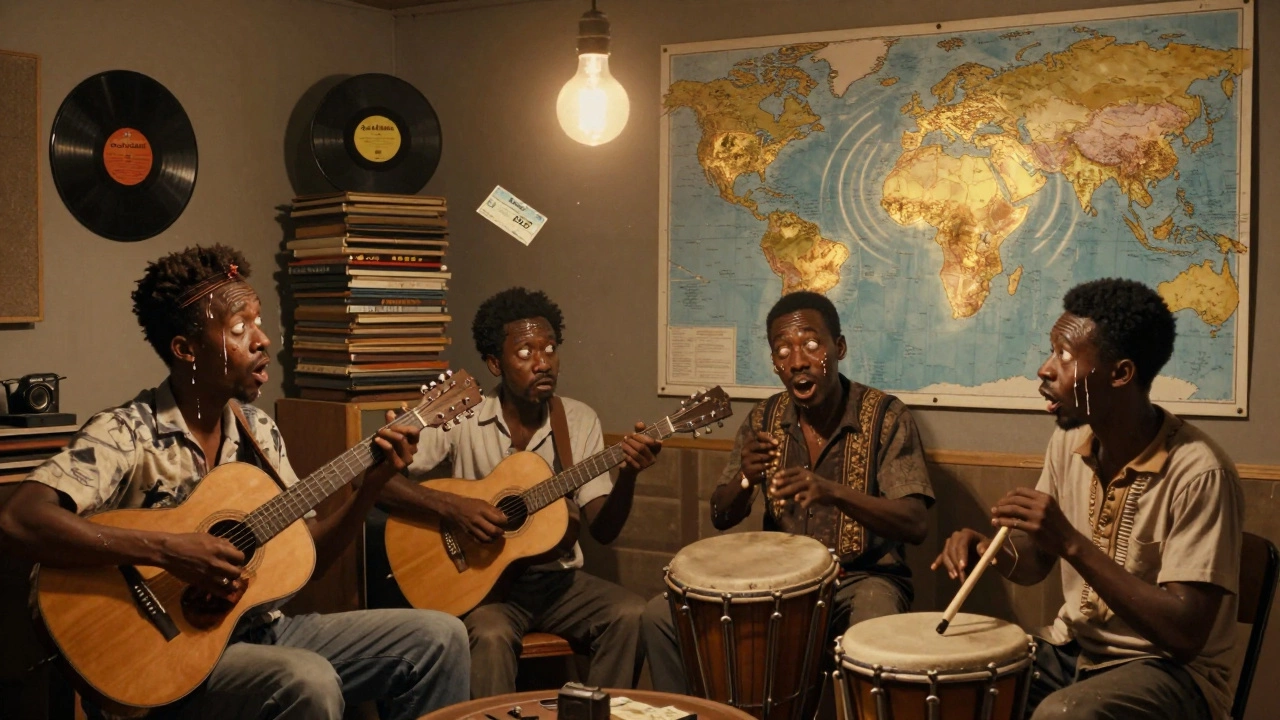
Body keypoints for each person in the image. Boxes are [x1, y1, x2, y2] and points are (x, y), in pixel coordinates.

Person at [0, 245, 469, 720]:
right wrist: (167, 550)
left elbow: (311, 554)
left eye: (259, 322)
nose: (263, 340)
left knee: (440, 638)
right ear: (186, 349)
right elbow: (19, 519)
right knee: (307, 680)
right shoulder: (127, 431)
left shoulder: (258, 430)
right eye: (240, 328)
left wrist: (371, 485)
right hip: (164, 652)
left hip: (259, 631)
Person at [932, 278, 1242, 720]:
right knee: (958, 680)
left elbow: (1184, 635)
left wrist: (1071, 543)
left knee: (1064, 716)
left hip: (1172, 673)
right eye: (1050, 350)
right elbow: (1038, 562)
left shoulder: (1199, 472)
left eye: (1064, 355)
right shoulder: (1070, 443)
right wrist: (988, 550)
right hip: (1074, 650)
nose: (1045, 368)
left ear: (1120, 374)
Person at [640, 290, 934, 692]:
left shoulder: (885, 416)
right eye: (782, 351)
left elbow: (916, 523)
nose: (797, 361)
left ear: (840, 347)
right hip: (778, 585)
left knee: (873, 618)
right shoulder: (764, 418)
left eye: (812, 345)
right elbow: (720, 515)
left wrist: (833, 493)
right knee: (661, 614)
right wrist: (745, 478)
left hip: (861, 579)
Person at [377, 286, 661, 697]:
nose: (542, 363)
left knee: (632, 615)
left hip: (558, 582)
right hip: (486, 587)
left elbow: (602, 529)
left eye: (549, 349)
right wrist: (455, 507)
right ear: (495, 363)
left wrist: (630, 476)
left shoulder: (578, 420)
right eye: (525, 353)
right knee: (489, 637)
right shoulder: (463, 413)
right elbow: (377, 481)